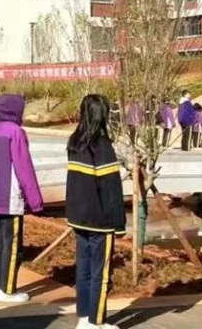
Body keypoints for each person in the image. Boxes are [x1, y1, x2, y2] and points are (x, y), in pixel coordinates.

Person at [65, 94, 125, 329]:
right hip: (100, 221)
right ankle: (96, 321)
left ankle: (84, 317)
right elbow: (111, 189)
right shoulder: (102, 146)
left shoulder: (74, 142)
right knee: (100, 272)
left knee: (84, 268)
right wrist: (119, 223)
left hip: (78, 217)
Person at [0, 94, 44, 304]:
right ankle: (7, 288)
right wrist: (35, 201)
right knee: (12, 244)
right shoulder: (15, 132)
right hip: (10, 198)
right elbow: (24, 168)